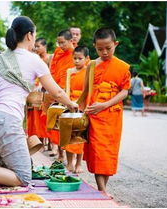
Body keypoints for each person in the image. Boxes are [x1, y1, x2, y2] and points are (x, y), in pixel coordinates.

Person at [0, 16, 78, 190]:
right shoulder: (34, 60)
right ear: (29, 35)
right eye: (34, 35)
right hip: (6, 120)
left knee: (10, 169)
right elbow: (55, 91)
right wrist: (71, 104)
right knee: (24, 177)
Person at [81, 28, 131, 194]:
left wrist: (105, 105)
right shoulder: (92, 65)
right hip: (94, 114)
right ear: (94, 46)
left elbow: (124, 91)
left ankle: (103, 187)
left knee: (108, 151)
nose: (104, 52)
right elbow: (86, 91)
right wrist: (75, 106)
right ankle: (101, 189)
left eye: (108, 48)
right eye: (100, 49)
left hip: (112, 115)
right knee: (98, 151)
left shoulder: (123, 67)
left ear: (115, 44)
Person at [49, 29, 75, 161]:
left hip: (70, 92)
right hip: (56, 90)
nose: (60, 46)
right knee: (57, 125)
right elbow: (52, 69)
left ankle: (71, 157)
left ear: (71, 41)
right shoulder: (58, 52)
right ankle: (60, 154)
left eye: (63, 43)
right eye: (58, 43)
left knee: (69, 125)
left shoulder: (76, 55)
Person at [63, 46, 90, 173]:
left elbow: (88, 91)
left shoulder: (88, 72)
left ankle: (79, 164)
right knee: (68, 136)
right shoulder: (69, 71)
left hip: (82, 106)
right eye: (75, 58)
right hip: (70, 105)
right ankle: (69, 163)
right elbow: (66, 89)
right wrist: (68, 103)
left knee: (80, 136)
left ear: (87, 59)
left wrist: (82, 105)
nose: (77, 61)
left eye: (80, 58)